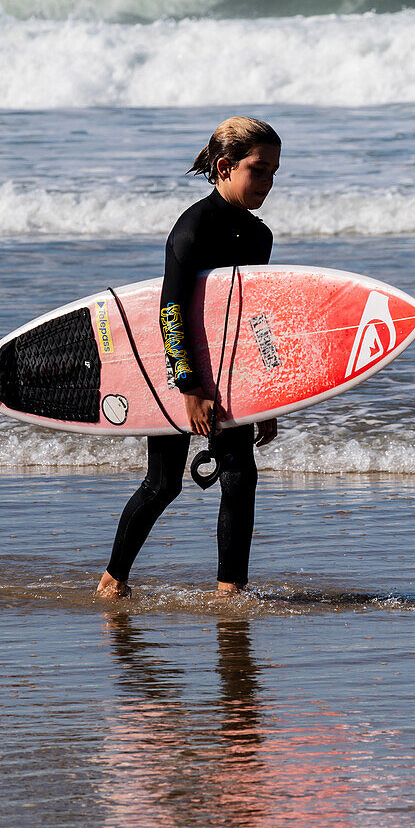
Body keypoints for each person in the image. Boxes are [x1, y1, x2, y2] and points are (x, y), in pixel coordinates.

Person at [97, 117, 282, 600]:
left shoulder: (260, 238)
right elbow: (170, 312)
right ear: (224, 166)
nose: (268, 182)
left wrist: (267, 395)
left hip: (227, 372)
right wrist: (190, 388)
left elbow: (245, 320)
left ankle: (229, 591)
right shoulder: (194, 227)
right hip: (174, 372)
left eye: (274, 173)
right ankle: (112, 581)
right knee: (163, 484)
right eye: (258, 170)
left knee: (240, 476)